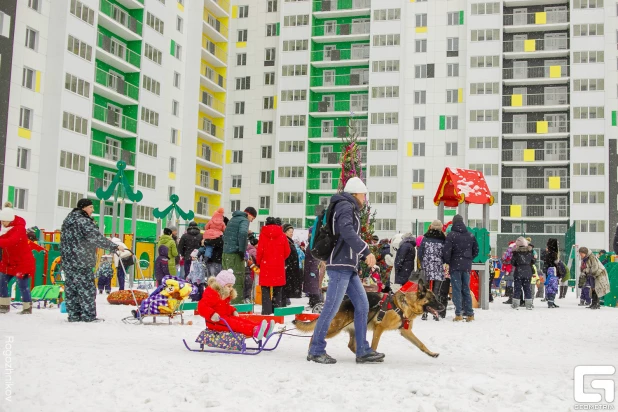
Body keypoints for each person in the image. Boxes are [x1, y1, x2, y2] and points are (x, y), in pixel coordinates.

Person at [307, 177, 384, 364]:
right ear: (356, 193)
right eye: (364, 195)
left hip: (348, 266)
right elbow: (347, 231)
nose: (365, 199)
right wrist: (365, 251)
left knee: (363, 305)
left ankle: (363, 350)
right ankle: (316, 349)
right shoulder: (345, 206)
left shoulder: (348, 207)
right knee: (331, 308)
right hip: (340, 266)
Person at [60, 199, 123, 322]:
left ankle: (74, 315)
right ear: (84, 208)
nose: (92, 210)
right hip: (82, 261)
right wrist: (114, 247)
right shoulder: (84, 221)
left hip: (68, 261)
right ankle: (88, 316)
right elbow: (96, 238)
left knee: (71, 288)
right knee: (86, 289)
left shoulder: (67, 221)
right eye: (91, 207)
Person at [198, 269, 275, 340]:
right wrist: (212, 314)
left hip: (223, 318)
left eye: (231, 286)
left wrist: (232, 311)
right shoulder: (212, 294)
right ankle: (254, 330)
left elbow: (224, 307)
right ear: (221, 285)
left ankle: (261, 328)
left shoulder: (223, 295)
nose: (231, 288)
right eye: (229, 286)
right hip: (215, 322)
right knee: (236, 324)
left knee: (241, 320)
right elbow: (201, 306)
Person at [443, 214, 479, 322]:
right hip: (466, 266)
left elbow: (446, 252)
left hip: (455, 266)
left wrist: (449, 261)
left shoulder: (451, 235)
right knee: (466, 289)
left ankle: (458, 313)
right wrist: (468, 258)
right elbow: (476, 250)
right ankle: (469, 314)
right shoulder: (470, 235)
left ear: (454, 222)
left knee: (457, 289)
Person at [0, 207, 36, 314]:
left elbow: (10, 241)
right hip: (8, 262)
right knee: (2, 281)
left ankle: (27, 307)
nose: (2, 223)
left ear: (10, 220)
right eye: (1, 220)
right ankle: (4, 304)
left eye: (4, 221)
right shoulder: (4, 228)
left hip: (22, 262)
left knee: (22, 285)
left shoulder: (19, 229)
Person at [222, 207, 256, 303]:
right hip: (235, 254)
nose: (251, 221)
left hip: (226, 253)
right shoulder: (244, 220)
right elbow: (242, 233)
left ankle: (226, 302)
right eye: (252, 218)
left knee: (226, 280)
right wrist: (242, 251)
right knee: (237, 279)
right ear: (249, 214)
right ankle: (236, 305)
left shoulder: (233, 219)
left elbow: (225, 235)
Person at [257, 217, 290, 315]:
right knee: (278, 289)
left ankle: (266, 312)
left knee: (265, 289)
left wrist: (259, 262)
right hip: (278, 266)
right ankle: (277, 312)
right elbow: (287, 251)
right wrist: (280, 259)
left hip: (266, 266)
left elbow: (260, 251)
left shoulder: (263, 235)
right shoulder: (283, 235)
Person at [418, 220, 446, 320]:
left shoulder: (425, 238)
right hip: (438, 266)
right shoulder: (443, 239)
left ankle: (424, 313)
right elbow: (445, 253)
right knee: (436, 291)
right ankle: (436, 313)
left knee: (425, 290)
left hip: (427, 266)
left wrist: (423, 262)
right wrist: (442, 261)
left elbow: (420, 252)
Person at [510, 237, 535, 310]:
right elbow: (533, 261)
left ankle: (515, 305)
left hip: (518, 272)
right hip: (528, 272)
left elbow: (513, 262)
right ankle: (529, 305)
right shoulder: (530, 252)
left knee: (517, 288)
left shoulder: (516, 253)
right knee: (527, 288)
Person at [283, 223, 302, 305]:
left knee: (289, 283)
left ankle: (287, 297)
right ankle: (286, 298)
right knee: (287, 283)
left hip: (291, 266)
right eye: (290, 231)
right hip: (288, 266)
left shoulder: (290, 241)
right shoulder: (286, 241)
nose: (291, 233)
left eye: (292, 231)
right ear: (285, 232)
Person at [303, 228, 322, 308]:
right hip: (310, 267)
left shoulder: (313, 243)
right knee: (312, 286)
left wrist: (313, 270)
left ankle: (315, 302)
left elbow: (315, 258)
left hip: (312, 268)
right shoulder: (312, 242)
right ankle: (312, 301)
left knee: (314, 286)